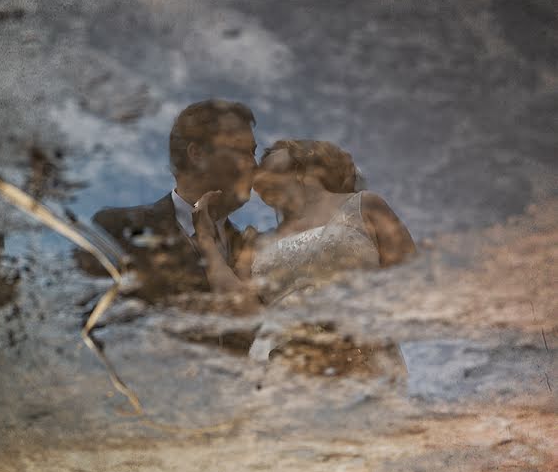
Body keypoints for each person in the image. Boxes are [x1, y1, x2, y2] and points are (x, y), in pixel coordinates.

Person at [192, 139, 416, 378]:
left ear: (305, 162)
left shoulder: (365, 205)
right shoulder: (256, 244)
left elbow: (412, 277)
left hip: (361, 356)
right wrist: (206, 240)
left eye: (271, 156)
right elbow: (239, 308)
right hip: (277, 366)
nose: (259, 167)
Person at [76, 99, 259, 304]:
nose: (254, 164)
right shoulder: (116, 230)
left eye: (253, 152)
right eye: (241, 150)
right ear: (197, 154)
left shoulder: (253, 249)